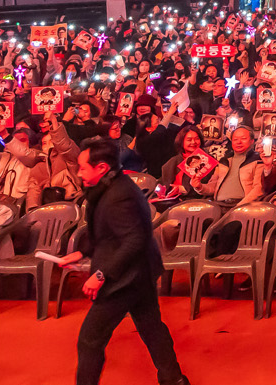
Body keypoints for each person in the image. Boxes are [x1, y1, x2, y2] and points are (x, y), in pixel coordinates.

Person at [55, 140, 187, 385]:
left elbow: (134, 240)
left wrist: (101, 274)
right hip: (139, 272)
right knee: (151, 328)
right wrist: (81, 252)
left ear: (102, 168)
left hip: (126, 278)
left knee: (90, 339)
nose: (79, 173)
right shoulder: (109, 187)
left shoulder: (120, 195)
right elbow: (107, 232)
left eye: (83, 168)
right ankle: (174, 379)